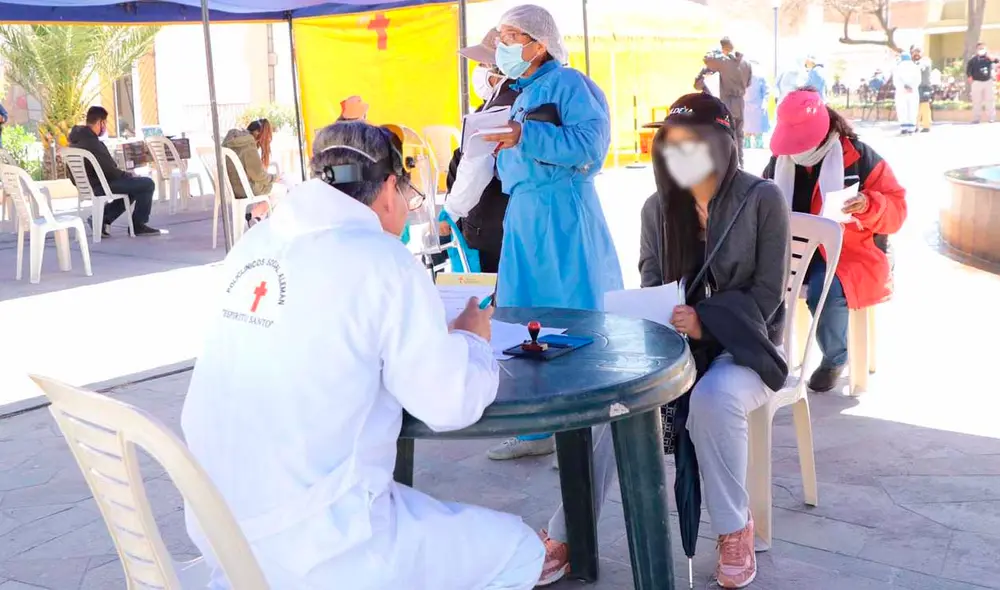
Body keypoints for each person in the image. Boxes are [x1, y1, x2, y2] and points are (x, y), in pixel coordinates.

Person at [181, 120, 545, 590]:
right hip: (323, 547)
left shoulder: (254, 244)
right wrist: (473, 339)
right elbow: (448, 404)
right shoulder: (382, 260)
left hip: (225, 537)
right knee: (520, 552)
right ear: (390, 188)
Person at [638, 93, 790, 589]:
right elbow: (651, 283)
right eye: (671, 142)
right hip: (677, 349)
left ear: (722, 145)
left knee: (713, 397)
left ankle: (733, 528)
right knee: (611, 403)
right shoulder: (657, 209)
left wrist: (706, 323)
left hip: (749, 347)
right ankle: (567, 531)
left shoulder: (762, 198)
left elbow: (768, 295)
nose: (679, 152)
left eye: (692, 142)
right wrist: (661, 316)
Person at [478, 5, 624, 471]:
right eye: (500, 35)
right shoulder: (522, 92)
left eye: (511, 36)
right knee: (523, 318)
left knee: (574, 316)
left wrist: (526, 135)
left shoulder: (570, 84)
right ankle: (537, 428)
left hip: (563, 212)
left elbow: (590, 147)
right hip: (524, 214)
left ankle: (583, 427)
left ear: (539, 44)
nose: (502, 44)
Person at [762, 88, 907, 392]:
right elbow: (759, 202)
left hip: (850, 251)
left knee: (825, 290)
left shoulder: (860, 157)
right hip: (792, 249)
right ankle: (771, 356)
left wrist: (869, 204)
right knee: (757, 283)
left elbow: (898, 211)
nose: (797, 147)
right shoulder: (779, 161)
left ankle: (835, 358)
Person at [439, 29, 518, 273]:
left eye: (483, 64)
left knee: (494, 290)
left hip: (494, 225)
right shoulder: (510, 100)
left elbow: (477, 165)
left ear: (499, 70)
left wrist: (451, 210)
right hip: (503, 221)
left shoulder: (502, 107)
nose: (479, 70)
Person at [68, 106, 162, 237]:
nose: (105, 127)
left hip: (89, 187)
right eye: (105, 123)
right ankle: (138, 225)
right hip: (102, 186)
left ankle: (101, 219)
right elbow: (110, 170)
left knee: (133, 188)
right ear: (100, 122)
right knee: (147, 184)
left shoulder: (74, 143)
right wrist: (128, 175)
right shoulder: (93, 143)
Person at [702, 38, 753, 167]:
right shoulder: (746, 63)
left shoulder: (723, 61)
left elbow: (707, 59)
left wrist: (715, 52)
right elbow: (748, 83)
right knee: (739, 134)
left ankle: (730, 164)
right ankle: (740, 162)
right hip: (740, 102)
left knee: (727, 133)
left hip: (728, 101)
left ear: (723, 48)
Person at [222, 118, 277, 221]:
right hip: (243, 189)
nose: (260, 143)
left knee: (265, 188)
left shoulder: (231, 142)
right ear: (257, 133)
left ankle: (256, 217)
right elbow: (258, 175)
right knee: (279, 190)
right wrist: (274, 178)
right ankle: (254, 217)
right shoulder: (248, 145)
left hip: (229, 188)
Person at [966, 42, 999, 124]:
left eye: (983, 48)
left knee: (990, 101)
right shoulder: (973, 60)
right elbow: (968, 70)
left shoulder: (989, 58)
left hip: (988, 82)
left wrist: (993, 59)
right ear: (976, 50)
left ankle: (991, 118)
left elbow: (997, 61)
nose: (981, 50)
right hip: (977, 82)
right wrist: (969, 77)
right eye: (979, 48)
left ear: (985, 49)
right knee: (976, 101)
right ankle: (976, 119)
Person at [743, 62, 770, 149]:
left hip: (758, 106)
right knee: (746, 126)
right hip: (745, 106)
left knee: (757, 125)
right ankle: (746, 142)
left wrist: (765, 102)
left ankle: (759, 142)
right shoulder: (741, 78)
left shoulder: (760, 79)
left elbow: (766, 92)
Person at [892, 53, 920, 135]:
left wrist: (903, 87)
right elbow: (918, 80)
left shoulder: (898, 67)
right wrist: (911, 87)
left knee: (902, 108)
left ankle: (904, 127)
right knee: (912, 108)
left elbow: (896, 80)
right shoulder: (915, 67)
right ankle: (911, 127)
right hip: (913, 91)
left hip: (901, 91)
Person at [910, 46, 934, 132]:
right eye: (914, 52)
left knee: (924, 106)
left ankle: (926, 126)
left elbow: (920, 67)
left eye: (918, 52)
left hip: (924, 87)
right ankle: (916, 125)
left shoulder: (925, 61)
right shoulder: (914, 62)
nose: (916, 54)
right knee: (917, 107)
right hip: (916, 87)